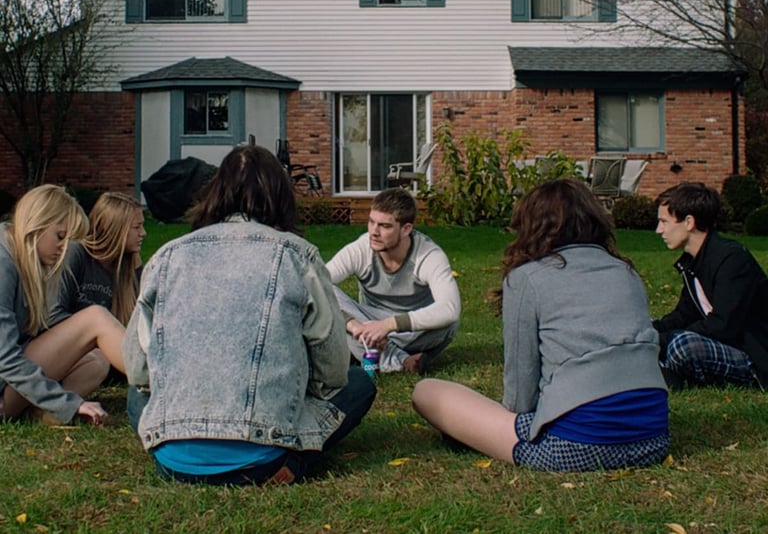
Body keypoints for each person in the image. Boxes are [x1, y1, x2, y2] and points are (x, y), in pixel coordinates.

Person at [123, 144, 376, 485]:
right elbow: (332, 369)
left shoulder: (166, 257)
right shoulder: (297, 255)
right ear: (282, 197)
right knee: (359, 383)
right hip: (265, 454)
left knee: (135, 396)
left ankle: (191, 451)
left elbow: (138, 370)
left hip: (173, 459)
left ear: (214, 193)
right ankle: (294, 463)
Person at [412, 178, 669, 472]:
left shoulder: (527, 278)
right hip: (653, 439)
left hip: (575, 446)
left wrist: (504, 423)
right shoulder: (626, 272)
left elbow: (521, 383)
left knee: (426, 392)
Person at [0, 185, 127, 426]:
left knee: (96, 360)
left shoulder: (23, 257)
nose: (64, 248)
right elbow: (5, 358)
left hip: (10, 384)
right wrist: (71, 403)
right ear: (36, 224)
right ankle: (165, 385)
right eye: (60, 236)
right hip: (5, 385)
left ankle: (41, 413)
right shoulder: (3, 262)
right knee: (95, 319)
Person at [326, 187, 460, 374]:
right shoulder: (361, 249)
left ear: (406, 229)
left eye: (385, 226)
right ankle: (402, 361)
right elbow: (315, 285)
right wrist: (352, 324)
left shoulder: (428, 255)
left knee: (448, 323)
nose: (374, 231)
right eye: (371, 222)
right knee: (324, 290)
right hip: (367, 324)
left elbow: (450, 308)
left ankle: (368, 352)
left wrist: (387, 326)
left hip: (412, 330)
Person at [653, 181, 768, 390]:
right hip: (721, 344)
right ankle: (662, 369)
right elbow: (684, 315)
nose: (658, 230)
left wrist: (664, 340)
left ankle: (662, 368)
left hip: (753, 356)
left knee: (683, 345)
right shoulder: (693, 263)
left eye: (664, 222)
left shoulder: (732, 259)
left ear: (688, 222)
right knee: (651, 330)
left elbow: (723, 325)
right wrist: (650, 331)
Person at [52, 192, 146, 327]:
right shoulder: (76, 253)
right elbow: (53, 313)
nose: (143, 233)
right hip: (62, 336)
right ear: (114, 228)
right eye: (137, 227)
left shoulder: (128, 265)